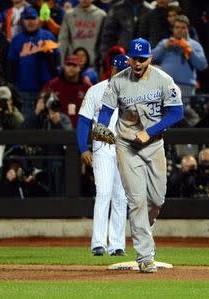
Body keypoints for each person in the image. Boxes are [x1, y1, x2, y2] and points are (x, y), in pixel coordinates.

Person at [96, 38, 184, 272]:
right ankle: (145, 256)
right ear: (128, 58)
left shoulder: (163, 80)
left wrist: (150, 131)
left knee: (156, 200)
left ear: (150, 58)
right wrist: (102, 126)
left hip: (153, 144)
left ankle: (145, 225)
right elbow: (106, 110)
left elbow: (177, 112)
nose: (137, 62)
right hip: (126, 145)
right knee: (136, 200)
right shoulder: (118, 80)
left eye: (142, 58)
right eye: (133, 58)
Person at [77, 54, 130, 256]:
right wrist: (83, 148)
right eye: (118, 69)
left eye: (125, 70)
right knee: (104, 193)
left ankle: (117, 245)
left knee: (120, 196)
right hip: (103, 147)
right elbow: (83, 121)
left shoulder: (134, 91)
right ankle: (98, 243)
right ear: (111, 70)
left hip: (126, 148)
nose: (122, 73)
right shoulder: (96, 90)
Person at [152, 15, 207, 100]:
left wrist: (189, 50)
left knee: (184, 112)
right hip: (164, 85)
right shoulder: (165, 43)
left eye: (183, 27)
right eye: (177, 27)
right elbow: (150, 59)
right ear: (173, 29)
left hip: (185, 87)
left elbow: (202, 65)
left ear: (188, 29)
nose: (179, 30)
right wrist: (163, 48)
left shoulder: (194, 45)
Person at [43, 54, 92, 128]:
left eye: (74, 65)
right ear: (63, 66)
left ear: (79, 68)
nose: (71, 68)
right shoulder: (53, 84)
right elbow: (42, 100)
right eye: (68, 65)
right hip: (58, 129)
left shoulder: (87, 86)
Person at [58, 0, 106, 66]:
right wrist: (62, 63)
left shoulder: (101, 15)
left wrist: (102, 64)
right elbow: (63, 40)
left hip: (94, 65)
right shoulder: (69, 15)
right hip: (73, 64)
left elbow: (104, 42)